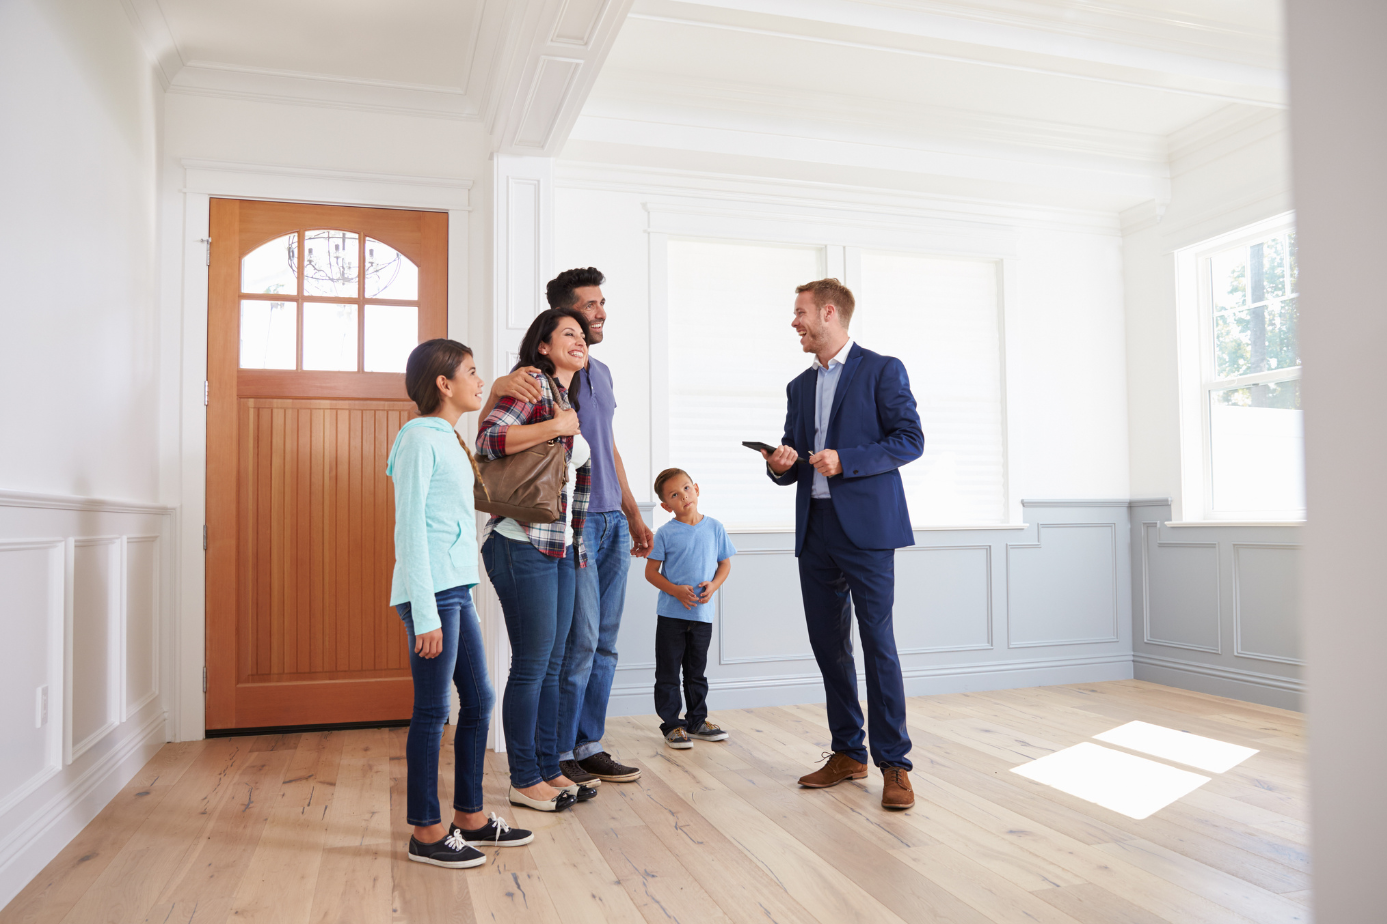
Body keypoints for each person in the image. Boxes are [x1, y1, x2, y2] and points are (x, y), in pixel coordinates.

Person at [482, 267, 652, 785]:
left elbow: (605, 446)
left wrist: (632, 512)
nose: (600, 315)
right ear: (559, 318)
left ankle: (584, 745)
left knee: (600, 645)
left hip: (595, 522)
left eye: (601, 306)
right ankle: (552, 755)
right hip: (553, 528)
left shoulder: (595, 375)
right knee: (569, 649)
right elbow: (492, 436)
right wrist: (499, 388)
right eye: (588, 308)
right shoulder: (532, 381)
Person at [761, 278, 925, 811]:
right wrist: (780, 463)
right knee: (829, 646)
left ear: (829, 313)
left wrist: (846, 460)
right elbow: (794, 461)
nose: (795, 323)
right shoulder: (799, 386)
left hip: (869, 532)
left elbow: (910, 440)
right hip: (815, 530)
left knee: (878, 644)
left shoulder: (882, 369)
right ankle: (848, 752)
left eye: (801, 313)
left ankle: (895, 764)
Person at [387, 338, 533, 870]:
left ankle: (469, 817)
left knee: (479, 699)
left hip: (455, 590)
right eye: (471, 372)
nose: (480, 379)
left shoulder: (447, 436)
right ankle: (426, 831)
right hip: (431, 595)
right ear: (443, 384)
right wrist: (425, 613)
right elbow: (411, 530)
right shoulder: (417, 439)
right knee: (433, 710)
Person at [477, 308, 597, 812]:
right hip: (520, 541)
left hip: (558, 545)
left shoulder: (565, 398)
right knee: (532, 666)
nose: (580, 339)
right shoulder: (531, 385)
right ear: (543, 346)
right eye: (568, 333)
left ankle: (549, 769)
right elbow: (488, 441)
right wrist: (555, 425)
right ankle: (524, 779)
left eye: (583, 335)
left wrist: (577, 544)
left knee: (552, 665)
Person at [643, 468, 737, 748]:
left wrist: (714, 585)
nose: (683, 496)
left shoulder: (715, 527)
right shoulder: (665, 533)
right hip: (671, 617)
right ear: (665, 505)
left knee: (696, 672)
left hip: (702, 615)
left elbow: (724, 564)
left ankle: (697, 722)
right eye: (674, 494)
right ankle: (672, 725)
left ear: (696, 489)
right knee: (669, 672)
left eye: (686, 488)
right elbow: (650, 573)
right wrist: (674, 590)